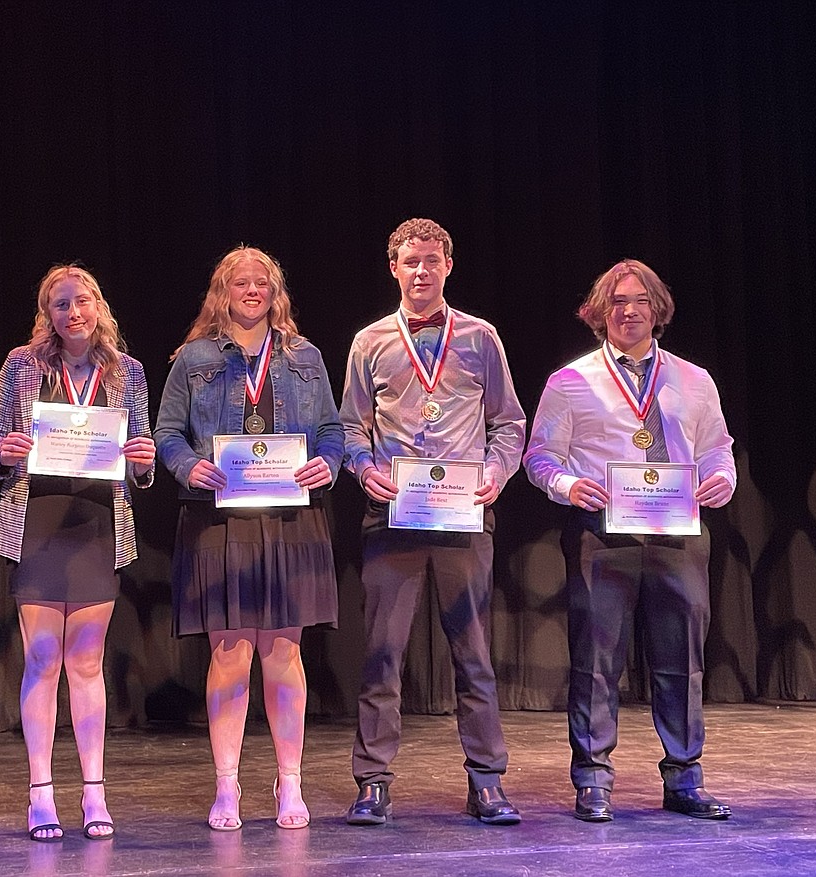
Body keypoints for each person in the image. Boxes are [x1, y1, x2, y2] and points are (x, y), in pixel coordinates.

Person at [523, 258, 736, 822]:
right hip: (602, 537)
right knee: (596, 661)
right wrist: (569, 486)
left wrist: (724, 477)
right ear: (600, 313)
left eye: (640, 299)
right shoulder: (570, 381)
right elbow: (540, 456)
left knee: (681, 661)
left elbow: (717, 446)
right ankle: (593, 780)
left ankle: (685, 778)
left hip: (679, 537)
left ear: (657, 308)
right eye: (617, 301)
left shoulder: (694, 379)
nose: (630, 310)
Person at [340, 218, 525, 827]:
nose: (421, 271)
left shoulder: (480, 338)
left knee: (472, 656)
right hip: (391, 516)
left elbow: (509, 423)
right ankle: (372, 783)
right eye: (410, 261)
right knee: (381, 655)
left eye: (431, 260)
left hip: (463, 517)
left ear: (449, 265)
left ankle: (487, 783)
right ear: (393, 267)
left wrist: (496, 474)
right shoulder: (369, 341)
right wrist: (365, 468)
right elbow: (350, 428)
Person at [154, 246, 342, 831]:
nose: (253, 290)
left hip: (290, 518)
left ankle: (290, 784)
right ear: (223, 292)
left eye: (263, 282)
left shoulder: (305, 357)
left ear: (275, 292)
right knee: (230, 654)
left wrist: (328, 465)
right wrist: (189, 468)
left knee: (284, 653)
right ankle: (227, 787)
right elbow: (166, 433)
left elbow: (333, 430)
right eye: (241, 282)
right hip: (219, 519)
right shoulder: (194, 358)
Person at [0, 265, 155, 842]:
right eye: (59, 304)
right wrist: (4, 449)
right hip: (38, 523)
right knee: (43, 662)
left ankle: (94, 792)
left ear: (98, 305)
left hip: (98, 524)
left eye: (81, 301)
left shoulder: (127, 372)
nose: (72, 312)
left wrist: (144, 460)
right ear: (46, 314)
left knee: (86, 663)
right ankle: (39, 794)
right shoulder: (21, 365)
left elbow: (140, 455)